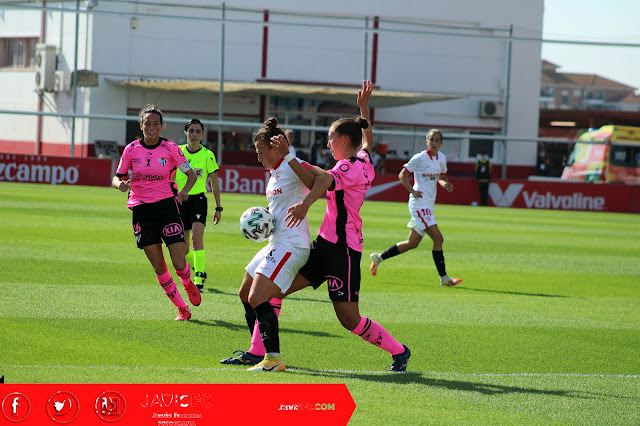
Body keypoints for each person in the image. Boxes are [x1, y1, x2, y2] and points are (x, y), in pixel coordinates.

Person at [222, 81, 411, 373]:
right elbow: (367, 143)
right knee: (272, 291)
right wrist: (363, 109)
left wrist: (302, 197)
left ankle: (399, 351)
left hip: (343, 251)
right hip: (323, 245)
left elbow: (320, 181)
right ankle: (261, 352)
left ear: (344, 140)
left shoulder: (348, 168)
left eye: (330, 138)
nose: (327, 143)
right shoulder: (362, 158)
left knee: (349, 319)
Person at [221, 118, 328, 372]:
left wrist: (305, 205)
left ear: (273, 148)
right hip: (276, 241)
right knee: (245, 293)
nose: (258, 158)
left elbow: (323, 180)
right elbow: (280, 206)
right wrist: (262, 220)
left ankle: (273, 358)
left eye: (260, 152)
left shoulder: (291, 164)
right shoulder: (275, 172)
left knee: (258, 296)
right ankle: (257, 352)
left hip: (292, 244)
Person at [112, 105, 202, 320]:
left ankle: (188, 283)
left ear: (161, 126)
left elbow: (191, 175)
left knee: (179, 264)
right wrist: (120, 185)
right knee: (159, 266)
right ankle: (182, 309)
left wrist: (185, 193)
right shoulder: (131, 149)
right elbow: (117, 176)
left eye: (155, 124)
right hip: (141, 210)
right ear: (141, 126)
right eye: (147, 123)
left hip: (167, 207)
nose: (151, 128)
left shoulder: (171, 148)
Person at [369, 129, 462, 288]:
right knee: (438, 239)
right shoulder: (420, 157)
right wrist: (412, 191)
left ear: (441, 143)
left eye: (437, 140)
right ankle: (444, 278)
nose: (434, 142)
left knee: (412, 243)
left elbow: (441, 177)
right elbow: (402, 175)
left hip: (428, 204)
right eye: (431, 139)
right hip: (419, 203)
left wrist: (444, 184)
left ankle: (379, 258)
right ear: (426, 142)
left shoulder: (442, 159)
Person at [174, 118, 223, 292]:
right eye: (191, 131)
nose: (194, 135)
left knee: (197, 238)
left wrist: (218, 207)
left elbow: (215, 183)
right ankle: (196, 265)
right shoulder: (177, 152)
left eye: (197, 131)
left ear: (202, 134)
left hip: (198, 201)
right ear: (185, 133)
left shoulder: (207, 155)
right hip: (179, 201)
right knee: (184, 248)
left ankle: (199, 278)